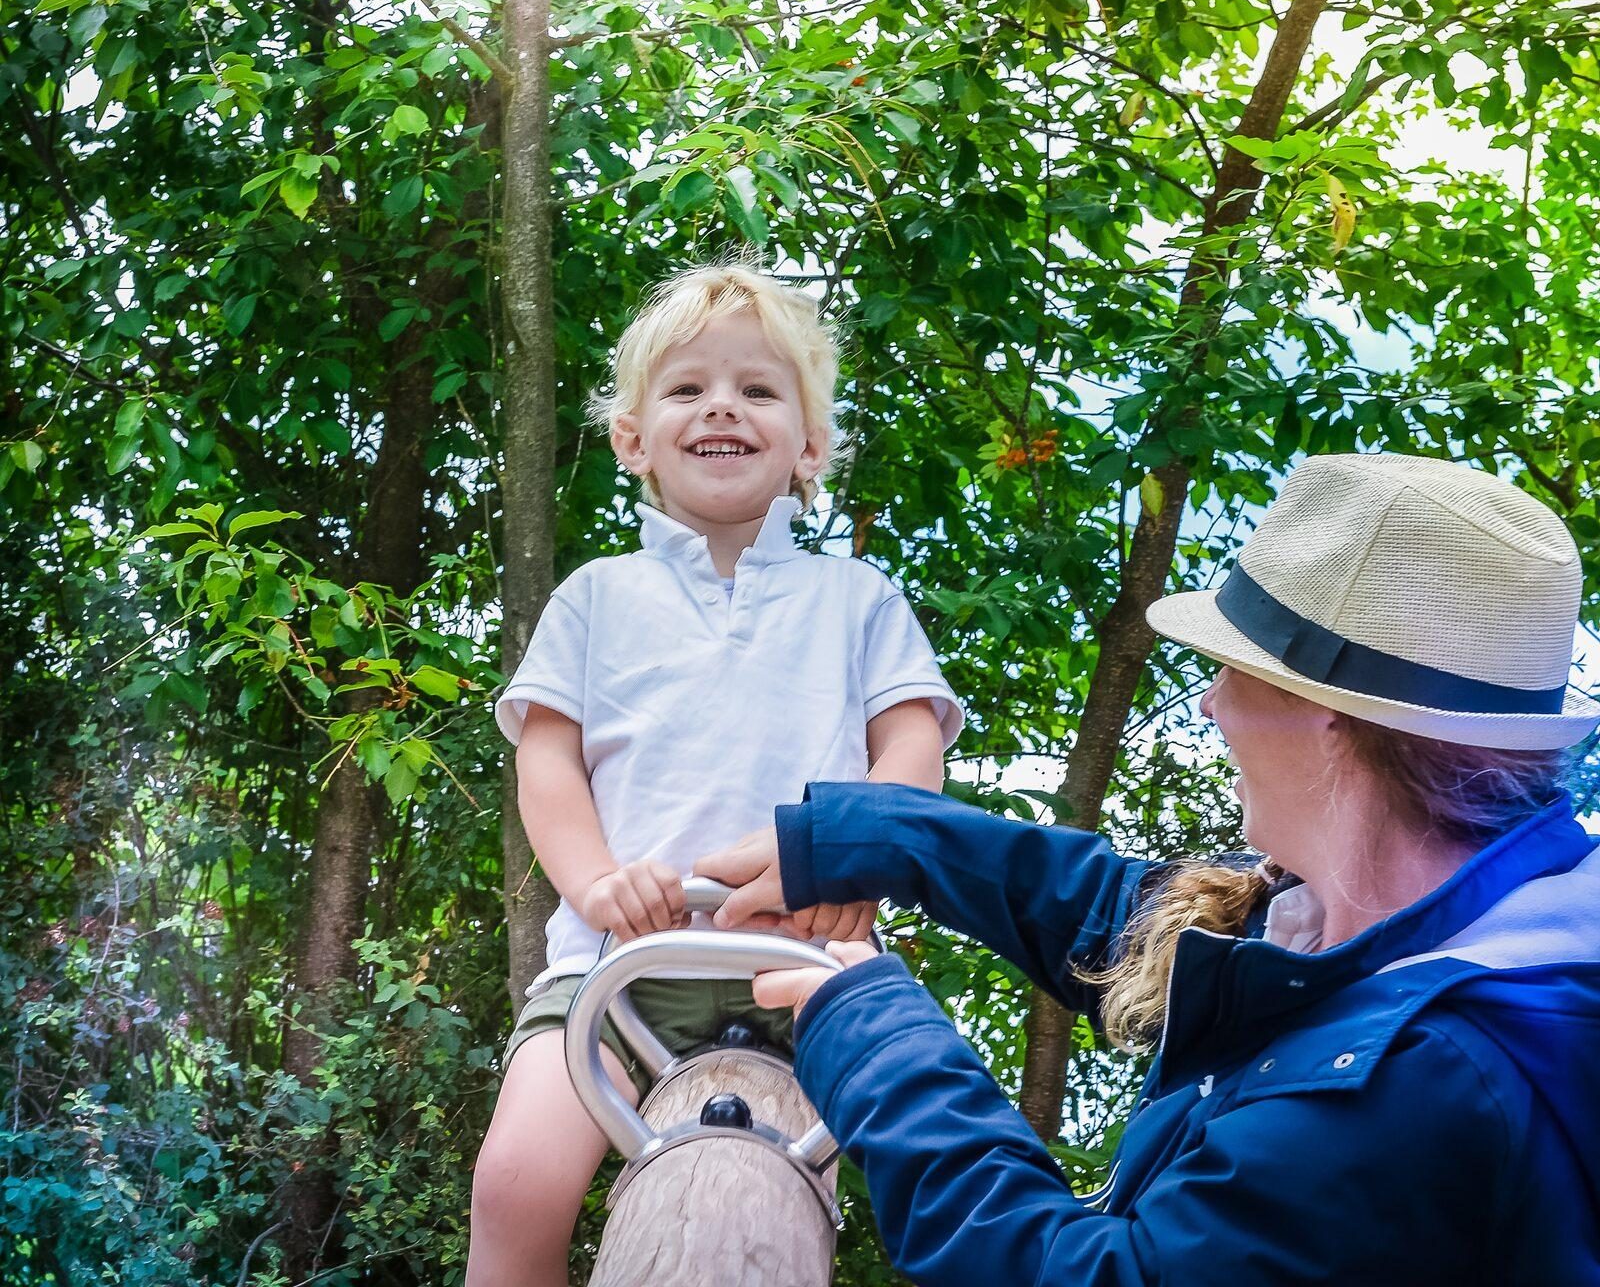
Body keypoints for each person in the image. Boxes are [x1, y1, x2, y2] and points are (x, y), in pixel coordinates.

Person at [702, 452, 1600, 1285]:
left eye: (1233, 672)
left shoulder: (1426, 1079)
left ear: (1327, 716)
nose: (1210, 702)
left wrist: (877, 1040)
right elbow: (1129, 919)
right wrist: (875, 838)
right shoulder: (1413, 918)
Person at [467, 262, 963, 1287]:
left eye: (757, 389)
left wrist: (858, 862)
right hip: (621, 967)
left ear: (809, 445)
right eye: (688, 389)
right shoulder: (597, 596)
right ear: (632, 438)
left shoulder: (857, 598)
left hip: (811, 961)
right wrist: (595, 881)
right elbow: (546, 758)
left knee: (956, 1180)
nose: (722, 407)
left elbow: (913, 744)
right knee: (513, 1183)